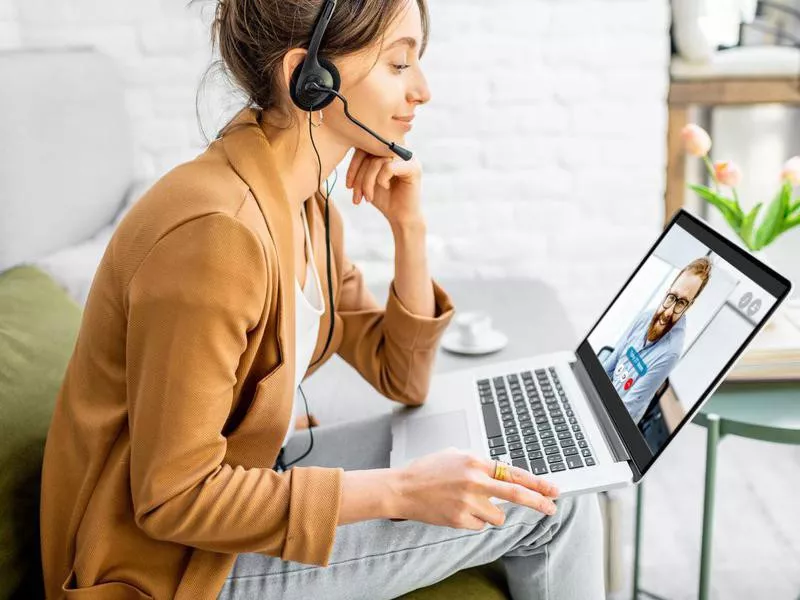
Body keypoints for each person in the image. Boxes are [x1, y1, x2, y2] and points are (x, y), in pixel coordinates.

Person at [39, 1, 605, 598]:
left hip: (247, 483)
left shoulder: (308, 208)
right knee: (548, 503)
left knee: (529, 468)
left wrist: (407, 229)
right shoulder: (217, 234)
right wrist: (402, 491)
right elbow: (174, 498)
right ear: (307, 79)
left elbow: (400, 376)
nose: (422, 90)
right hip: (164, 568)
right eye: (398, 64)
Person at [601, 257, 713, 424]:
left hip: (618, 420)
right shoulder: (645, 317)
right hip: (605, 398)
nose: (669, 312)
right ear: (667, 290)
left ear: (690, 305)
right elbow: (612, 362)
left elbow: (628, 407)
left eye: (682, 302)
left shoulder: (671, 352)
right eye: (672, 297)